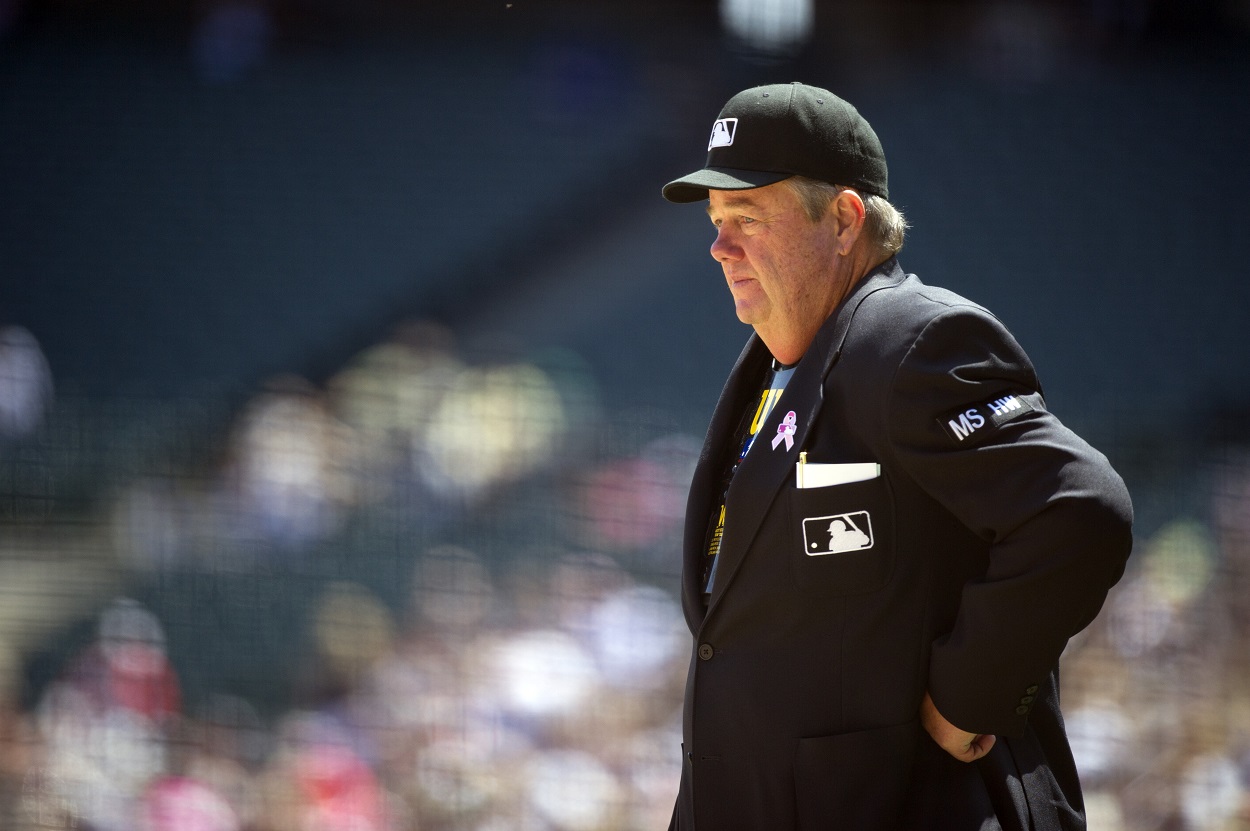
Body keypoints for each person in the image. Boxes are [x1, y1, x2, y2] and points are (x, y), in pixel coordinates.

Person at [660, 82, 1133, 830]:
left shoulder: (910, 339)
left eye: (746, 216)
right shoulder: (777, 361)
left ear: (844, 220)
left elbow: (1081, 510)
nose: (720, 245)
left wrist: (970, 694)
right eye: (717, 222)